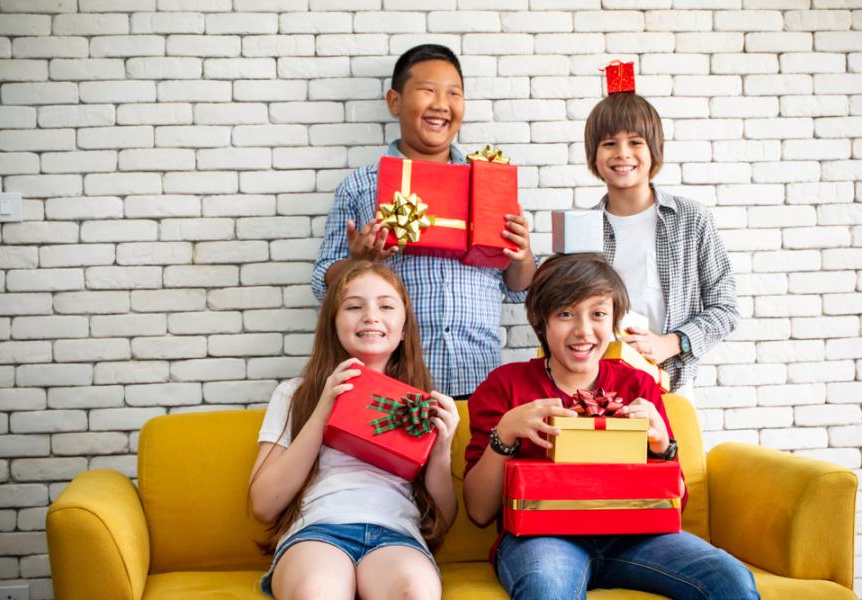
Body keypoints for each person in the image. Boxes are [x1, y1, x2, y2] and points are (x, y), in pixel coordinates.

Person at [463, 254, 759, 599]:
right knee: (546, 587)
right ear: (541, 322)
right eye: (565, 313)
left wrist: (663, 448)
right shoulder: (505, 386)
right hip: (541, 537)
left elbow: (675, 504)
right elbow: (479, 512)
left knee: (729, 578)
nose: (583, 330)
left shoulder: (637, 385)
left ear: (614, 320)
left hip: (636, 535)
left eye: (598, 314)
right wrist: (504, 435)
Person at [311, 43, 536, 399]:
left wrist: (522, 256)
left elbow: (516, 288)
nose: (441, 104)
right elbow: (323, 283)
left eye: (453, 93)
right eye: (428, 91)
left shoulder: (489, 184)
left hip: (479, 377)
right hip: (392, 380)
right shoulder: (361, 186)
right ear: (395, 102)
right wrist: (359, 263)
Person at [250, 261, 459, 600]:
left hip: (396, 535)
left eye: (386, 306)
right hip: (317, 532)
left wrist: (442, 448)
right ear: (332, 324)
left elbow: (443, 518)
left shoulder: (422, 404)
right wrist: (323, 411)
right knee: (316, 591)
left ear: (404, 330)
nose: (370, 316)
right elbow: (263, 504)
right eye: (353, 306)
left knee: (415, 592)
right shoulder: (295, 394)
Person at [584, 91, 739, 399]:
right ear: (594, 155)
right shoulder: (582, 228)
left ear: (654, 149)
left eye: (635, 142)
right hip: (599, 389)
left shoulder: (691, 219)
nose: (622, 153)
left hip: (672, 386)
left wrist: (671, 343)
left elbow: (726, 308)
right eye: (609, 143)